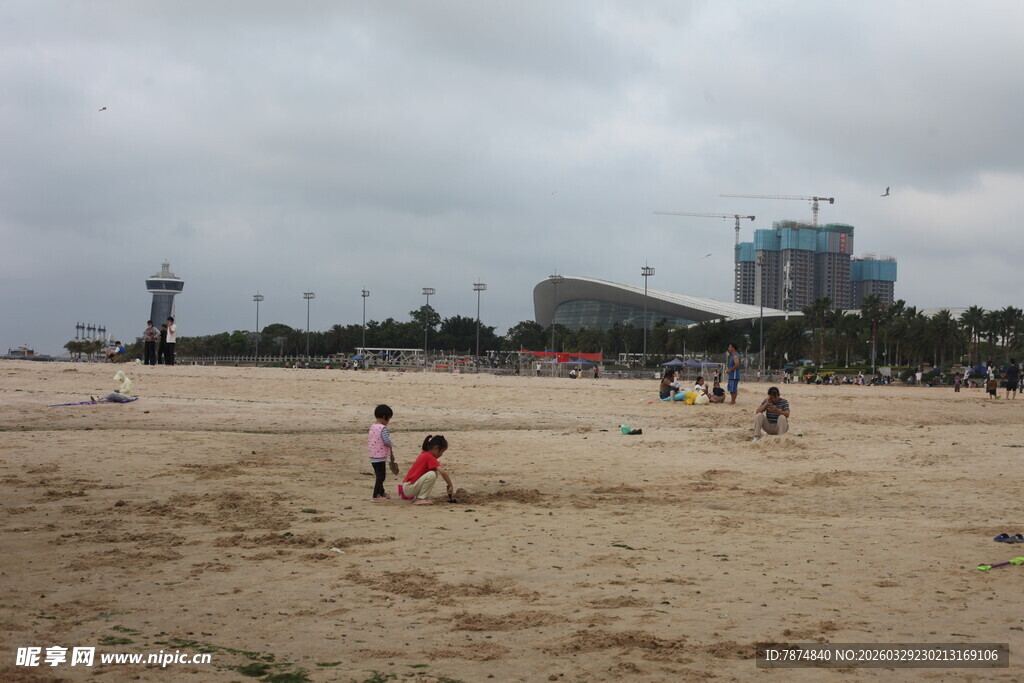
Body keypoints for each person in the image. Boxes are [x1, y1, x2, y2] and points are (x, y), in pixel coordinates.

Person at [400, 434, 453, 505]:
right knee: (432, 474)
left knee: (433, 472)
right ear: (436, 448)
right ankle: (421, 498)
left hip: (408, 487)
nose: (441, 454)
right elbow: (443, 472)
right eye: (442, 451)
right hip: (409, 488)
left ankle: (420, 497)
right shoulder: (429, 456)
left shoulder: (425, 454)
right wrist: (450, 485)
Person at [368, 404, 398, 502]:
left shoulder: (373, 427)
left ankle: (381, 492)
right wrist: (391, 444)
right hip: (379, 456)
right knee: (381, 476)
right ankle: (376, 495)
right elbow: (386, 440)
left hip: (373, 455)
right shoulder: (382, 428)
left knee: (379, 475)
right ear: (385, 417)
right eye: (389, 419)